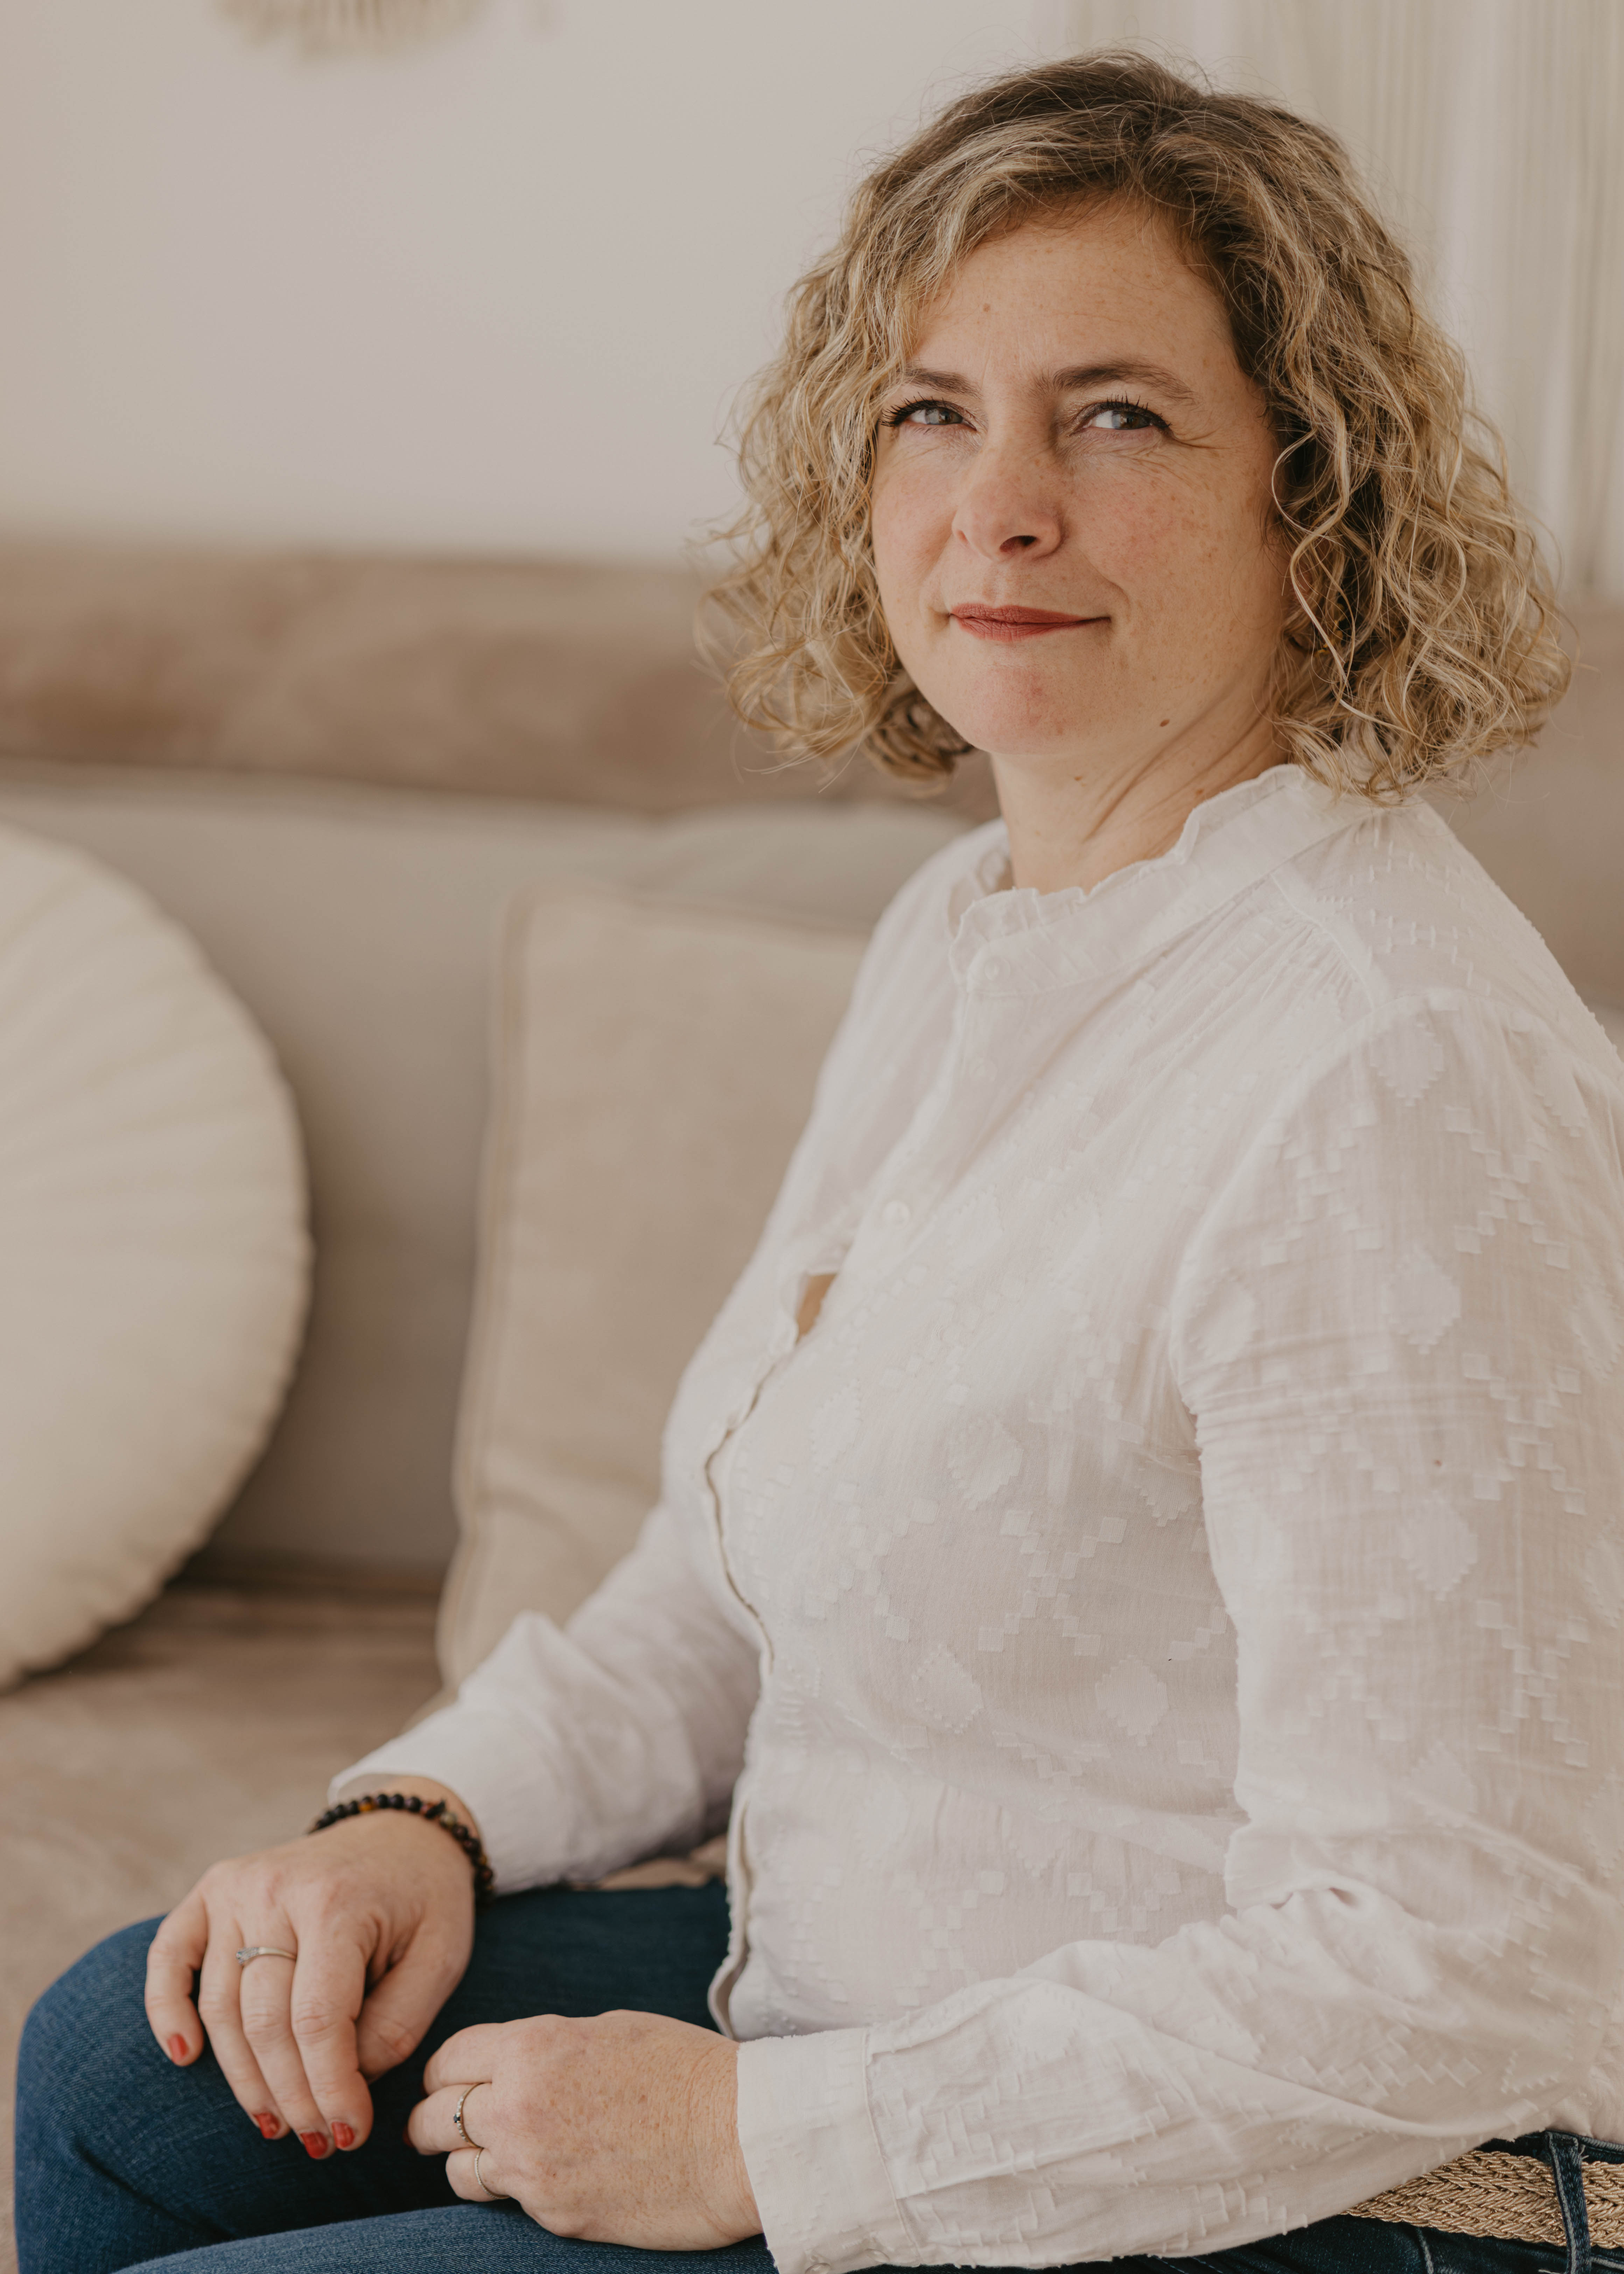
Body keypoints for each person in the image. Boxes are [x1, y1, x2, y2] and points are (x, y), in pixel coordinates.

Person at [16, 44, 1624, 2274]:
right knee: (130, 2071)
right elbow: (731, 1571)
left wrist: (764, 2148)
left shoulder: (1388, 1068)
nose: (1001, 504)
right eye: (933, 411)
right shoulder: (966, 940)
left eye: (1119, 414)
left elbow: (1465, 1962)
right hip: (888, 1993)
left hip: (1320, 2198)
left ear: (1312, 496)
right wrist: (419, 1816)